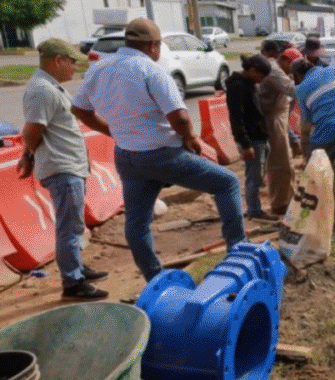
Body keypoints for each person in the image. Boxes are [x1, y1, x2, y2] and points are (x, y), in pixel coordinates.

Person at [72, 18, 245, 282]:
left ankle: (154, 278)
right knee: (227, 183)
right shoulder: (151, 71)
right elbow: (180, 117)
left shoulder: (99, 69)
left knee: (137, 222)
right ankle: (238, 252)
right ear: (153, 46)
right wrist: (191, 138)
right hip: (163, 154)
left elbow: (80, 109)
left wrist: (113, 131)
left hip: (128, 156)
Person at [19, 38, 109, 300]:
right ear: (58, 61)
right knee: (69, 227)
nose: (74, 67)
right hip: (62, 168)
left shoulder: (51, 88)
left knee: (74, 224)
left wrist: (28, 155)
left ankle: (77, 267)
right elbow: (32, 131)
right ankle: (72, 282)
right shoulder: (42, 90)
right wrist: (28, 154)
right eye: (71, 62)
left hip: (69, 166)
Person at [290, 58, 335, 230]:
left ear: (298, 75)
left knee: (318, 177)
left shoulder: (302, 88)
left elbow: (308, 119)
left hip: (325, 136)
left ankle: (320, 216)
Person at [226, 54, 276, 222]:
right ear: (253, 70)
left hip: (259, 136)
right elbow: (236, 118)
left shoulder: (249, 84)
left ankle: (255, 208)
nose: (262, 80)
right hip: (251, 138)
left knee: (258, 175)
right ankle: (254, 211)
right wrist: (245, 144)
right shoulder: (238, 87)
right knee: (253, 177)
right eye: (261, 76)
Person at [259, 40, 298, 215]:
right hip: (272, 120)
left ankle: (289, 199)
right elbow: (292, 90)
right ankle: (280, 203)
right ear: (283, 59)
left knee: (286, 162)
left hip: (278, 119)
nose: (293, 71)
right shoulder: (274, 70)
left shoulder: (279, 69)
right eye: (292, 66)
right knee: (279, 163)